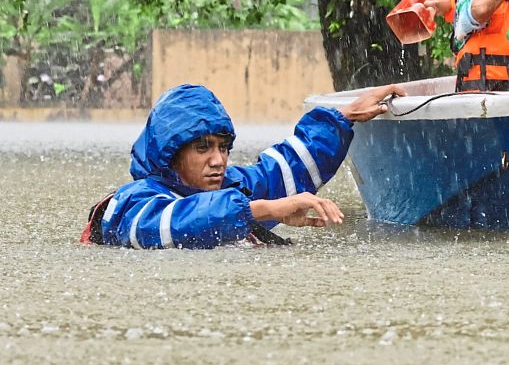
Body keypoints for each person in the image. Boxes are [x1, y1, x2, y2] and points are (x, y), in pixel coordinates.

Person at [81, 82, 403, 249]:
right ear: (171, 155)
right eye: (203, 147)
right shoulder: (131, 204)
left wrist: (343, 117)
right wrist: (263, 210)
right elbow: (179, 222)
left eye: (223, 147)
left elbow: (281, 172)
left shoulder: (229, 186)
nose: (218, 160)